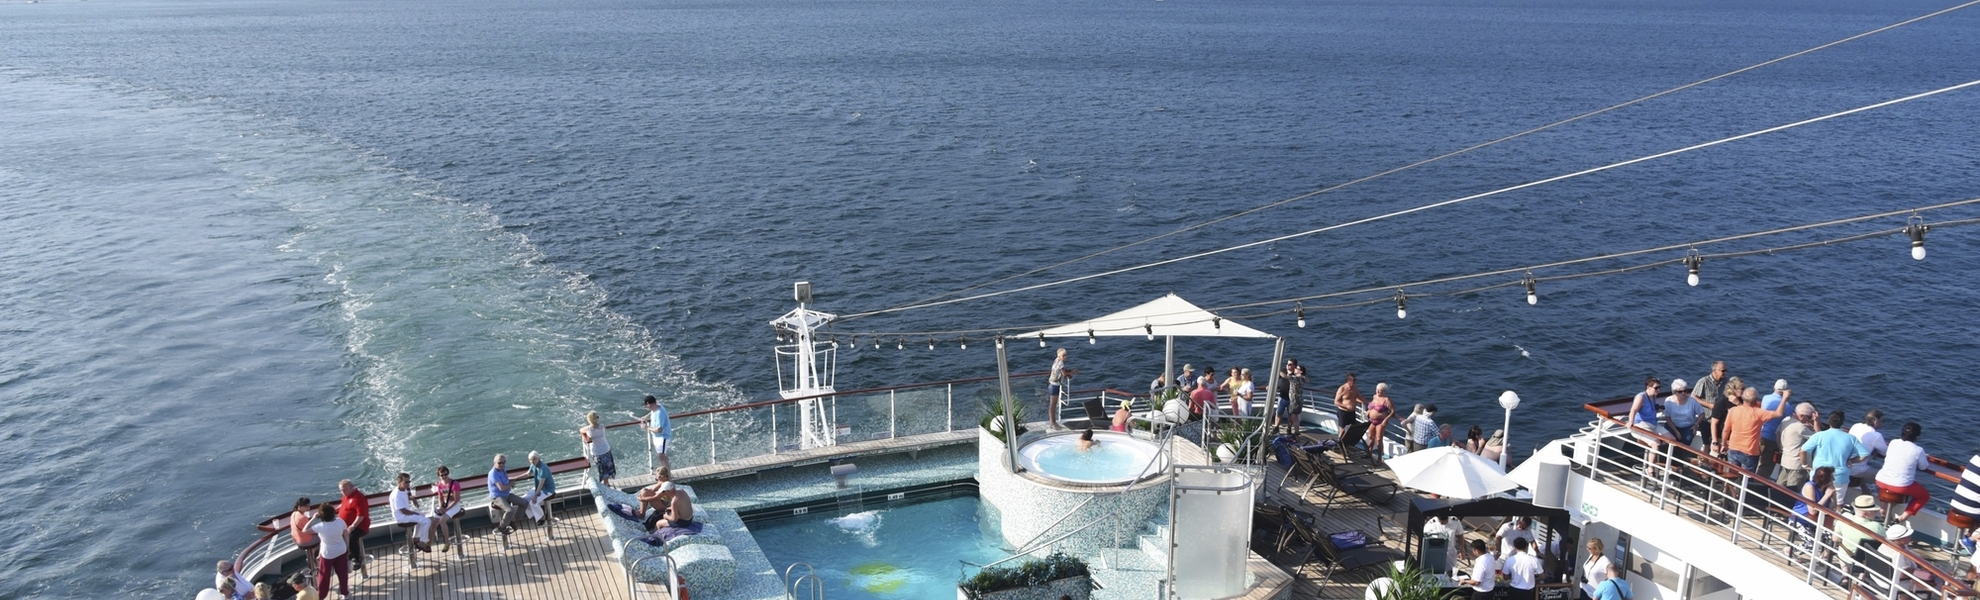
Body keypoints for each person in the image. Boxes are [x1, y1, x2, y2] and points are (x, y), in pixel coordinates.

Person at [1875, 422, 1933, 522]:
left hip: (1881, 480)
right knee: (1924, 496)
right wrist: (1924, 457)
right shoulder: (1918, 450)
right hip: (1900, 486)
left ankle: (1883, 508)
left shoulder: (1893, 442)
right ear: (1917, 436)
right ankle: (1902, 518)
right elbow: (1923, 467)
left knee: (1888, 484)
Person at [1723, 388, 1786, 472]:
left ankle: (1729, 485)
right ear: (1756, 400)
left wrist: (1724, 444)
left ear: (1742, 397)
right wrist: (1784, 397)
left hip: (1733, 448)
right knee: (1746, 478)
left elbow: (1726, 430)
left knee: (1731, 475)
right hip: (1749, 452)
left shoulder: (1733, 411)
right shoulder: (1758, 413)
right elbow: (1779, 413)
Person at [1802, 410, 1870, 482]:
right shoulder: (1851, 438)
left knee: (1814, 492)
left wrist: (1805, 465)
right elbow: (1865, 454)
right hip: (1840, 478)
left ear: (1829, 421)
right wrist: (1850, 461)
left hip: (1818, 475)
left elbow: (1803, 450)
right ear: (1842, 423)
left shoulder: (1819, 435)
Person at [308, 502, 350, 599]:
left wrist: (314, 518)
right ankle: (345, 593)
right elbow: (346, 535)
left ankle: (321, 596)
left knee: (324, 576)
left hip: (328, 554)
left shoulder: (320, 526)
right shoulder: (340, 521)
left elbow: (305, 530)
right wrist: (348, 547)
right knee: (342, 574)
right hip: (341, 550)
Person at [1792, 467, 1839, 550]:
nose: (1834, 479)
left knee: (1835, 538)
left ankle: (1824, 556)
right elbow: (1812, 511)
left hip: (1816, 521)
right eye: (1832, 478)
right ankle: (1790, 550)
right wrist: (1826, 496)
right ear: (1825, 480)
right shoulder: (1810, 487)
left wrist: (1833, 494)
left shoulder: (1825, 489)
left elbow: (1832, 509)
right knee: (1812, 545)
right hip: (1800, 520)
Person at [1755, 380, 1792, 479]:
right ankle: (1757, 486)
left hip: (1760, 434)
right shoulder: (1788, 406)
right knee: (1766, 465)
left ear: (1774, 388)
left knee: (1757, 461)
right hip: (1772, 438)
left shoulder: (1766, 398)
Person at [390, 472, 435, 553]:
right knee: (427, 521)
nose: (408, 484)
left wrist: (413, 499)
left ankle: (416, 538)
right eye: (405, 482)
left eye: (409, 482)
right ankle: (421, 542)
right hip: (401, 517)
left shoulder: (403, 489)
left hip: (405, 513)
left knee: (422, 515)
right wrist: (415, 513)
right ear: (399, 482)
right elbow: (403, 511)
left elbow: (407, 494)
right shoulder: (397, 495)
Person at [1776, 402, 1817, 488]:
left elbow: (1777, 433)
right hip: (1797, 465)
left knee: (1779, 487)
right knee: (1793, 491)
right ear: (1802, 416)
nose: (1809, 420)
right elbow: (1818, 438)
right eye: (1809, 417)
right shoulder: (1800, 427)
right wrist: (1816, 421)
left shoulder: (1786, 420)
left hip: (1785, 460)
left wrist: (1780, 448)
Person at [335, 479, 370, 574]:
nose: (343, 492)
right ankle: (346, 555)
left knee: (351, 537)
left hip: (360, 525)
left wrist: (352, 526)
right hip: (345, 525)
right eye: (341, 490)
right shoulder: (346, 496)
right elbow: (343, 505)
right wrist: (334, 510)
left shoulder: (359, 498)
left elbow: (361, 516)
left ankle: (356, 559)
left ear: (351, 487)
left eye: (344, 490)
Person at [1849, 410, 1888, 492]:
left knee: (1863, 466)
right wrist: (1875, 449)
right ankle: (1884, 499)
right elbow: (1885, 452)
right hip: (1855, 468)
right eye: (1882, 420)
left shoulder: (1856, 426)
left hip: (1845, 464)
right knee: (1885, 476)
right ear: (1876, 422)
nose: (1882, 423)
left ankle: (1865, 490)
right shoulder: (1876, 435)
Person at [1696, 361, 1731, 453]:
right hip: (1707, 418)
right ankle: (1703, 463)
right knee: (1706, 443)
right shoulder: (1703, 381)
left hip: (1721, 419)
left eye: (1725, 370)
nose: (1725, 373)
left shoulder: (1726, 383)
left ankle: (1715, 464)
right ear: (1714, 370)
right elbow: (1694, 397)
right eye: (1723, 371)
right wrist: (1710, 405)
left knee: (1720, 443)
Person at [488, 453, 525, 537]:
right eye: (499, 463)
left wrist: (509, 480)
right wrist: (510, 484)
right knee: (510, 510)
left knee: (524, 502)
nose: (502, 464)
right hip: (497, 497)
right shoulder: (493, 474)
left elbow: (504, 480)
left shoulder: (503, 469)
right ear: (494, 463)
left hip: (506, 494)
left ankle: (513, 521)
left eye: (503, 462)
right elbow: (501, 488)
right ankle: (502, 527)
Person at [1711, 376, 1747, 458]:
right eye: (1741, 388)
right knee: (1714, 463)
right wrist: (1715, 442)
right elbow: (1714, 423)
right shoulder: (1722, 403)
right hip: (1721, 438)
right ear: (1733, 389)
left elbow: (1747, 416)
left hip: (1736, 440)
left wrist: (1738, 404)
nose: (1744, 390)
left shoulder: (1743, 402)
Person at [430, 465, 463, 553]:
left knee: (442, 520)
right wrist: (441, 507)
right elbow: (440, 498)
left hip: (454, 505)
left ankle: (447, 542)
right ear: (439, 476)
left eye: (445, 474)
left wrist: (446, 509)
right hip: (445, 504)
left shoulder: (454, 484)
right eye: (442, 475)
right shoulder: (440, 484)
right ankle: (429, 543)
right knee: (434, 523)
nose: (444, 476)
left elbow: (456, 499)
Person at [1663, 379, 1705, 448]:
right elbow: (1667, 417)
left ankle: (1679, 454)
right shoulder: (1669, 401)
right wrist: (1676, 431)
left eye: (1685, 391)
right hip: (1673, 425)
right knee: (1669, 438)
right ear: (1674, 392)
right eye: (1680, 392)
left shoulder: (1692, 401)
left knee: (1687, 439)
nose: (1683, 393)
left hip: (1688, 426)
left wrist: (1695, 425)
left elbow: (1702, 414)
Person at [1333, 372, 1367, 453]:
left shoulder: (1355, 388)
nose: (1354, 382)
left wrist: (1369, 403)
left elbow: (1360, 397)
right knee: (1342, 430)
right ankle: (1339, 446)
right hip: (1343, 412)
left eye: (1355, 380)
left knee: (1352, 429)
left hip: (1352, 413)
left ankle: (1348, 445)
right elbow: (1336, 402)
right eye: (1353, 380)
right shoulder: (1342, 389)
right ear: (1348, 380)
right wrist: (1346, 406)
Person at [581, 411, 616, 486]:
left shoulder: (588, 429)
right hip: (606, 449)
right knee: (608, 466)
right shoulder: (602, 426)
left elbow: (581, 430)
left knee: (602, 469)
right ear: (596, 419)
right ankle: (607, 483)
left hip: (597, 452)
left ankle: (605, 483)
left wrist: (585, 436)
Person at [523, 451, 559, 524]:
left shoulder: (543, 468)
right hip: (539, 488)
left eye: (534, 459)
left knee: (533, 503)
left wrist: (535, 495)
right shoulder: (533, 465)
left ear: (539, 458)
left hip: (547, 490)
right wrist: (514, 478)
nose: (532, 461)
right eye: (530, 460)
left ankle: (542, 517)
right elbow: (528, 474)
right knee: (524, 499)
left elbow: (541, 483)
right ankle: (536, 515)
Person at [1366, 383, 1396, 458]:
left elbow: (1393, 411)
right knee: (1371, 437)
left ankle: (1379, 458)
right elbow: (1372, 406)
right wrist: (1369, 411)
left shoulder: (1386, 400)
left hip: (1380, 422)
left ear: (1384, 391)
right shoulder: (1374, 396)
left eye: (1381, 390)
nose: (1378, 391)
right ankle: (1369, 453)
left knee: (1379, 440)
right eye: (1377, 390)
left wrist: (1385, 420)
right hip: (1371, 420)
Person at [643, 394, 673, 469]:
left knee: (661, 456)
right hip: (657, 437)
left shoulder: (659, 413)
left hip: (663, 437)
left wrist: (646, 427)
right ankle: (665, 473)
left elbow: (659, 430)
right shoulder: (657, 407)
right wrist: (646, 416)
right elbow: (652, 412)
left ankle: (668, 476)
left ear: (649, 404)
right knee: (662, 456)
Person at [288, 497, 319, 565]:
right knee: (324, 536)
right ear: (299, 506)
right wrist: (314, 518)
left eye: (309, 506)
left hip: (297, 540)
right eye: (306, 506)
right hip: (305, 541)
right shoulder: (303, 518)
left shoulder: (293, 514)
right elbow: (311, 530)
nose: (308, 508)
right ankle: (316, 557)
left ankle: (311, 556)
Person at [1046, 348, 1069, 428]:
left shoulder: (1056, 360)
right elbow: (1064, 374)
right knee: (1053, 404)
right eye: (1064, 355)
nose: (1065, 357)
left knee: (1052, 404)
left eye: (1066, 355)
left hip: (1052, 384)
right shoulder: (1061, 363)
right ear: (1059, 356)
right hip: (1055, 385)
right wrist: (1073, 372)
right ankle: (1053, 422)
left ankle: (1053, 422)